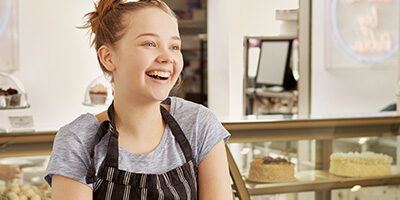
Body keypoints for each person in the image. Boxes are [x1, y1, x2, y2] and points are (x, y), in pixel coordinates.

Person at [44, 0, 232, 199]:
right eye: (149, 43)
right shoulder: (79, 140)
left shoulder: (198, 124)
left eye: (174, 46)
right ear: (108, 57)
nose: (167, 57)